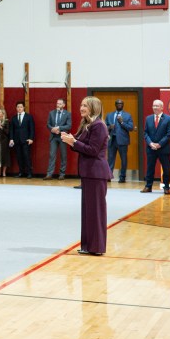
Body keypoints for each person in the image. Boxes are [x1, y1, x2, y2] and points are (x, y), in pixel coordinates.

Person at [60, 96, 111, 256]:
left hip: (96, 173)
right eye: (81, 105)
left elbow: (93, 150)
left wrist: (73, 142)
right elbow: (84, 147)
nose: (81, 108)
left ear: (93, 108)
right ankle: (88, 245)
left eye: (85, 106)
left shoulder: (99, 126)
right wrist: (72, 140)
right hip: (89, 173)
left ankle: (97, 247)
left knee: (96, 211)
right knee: (88, 211)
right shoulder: (88, 124)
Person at [141, 99, 170, 195]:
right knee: (150, 168)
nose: (155, 107)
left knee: (166, 169)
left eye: (157, 106)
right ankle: (148, 186)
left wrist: (159, 144)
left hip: (163, 148)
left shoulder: (168, 119)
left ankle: (166, 187)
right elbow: (145, 133)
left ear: (162, 107)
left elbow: (169, 134)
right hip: (151, 148)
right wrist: (150, 143)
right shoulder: (148, 118)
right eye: (154, 106)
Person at [105, 99, 134, 184]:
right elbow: (104, 126)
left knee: (123, 159)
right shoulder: (109, 115)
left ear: (123, 105)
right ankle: (108, 176)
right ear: (115, 105)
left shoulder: (127, 116)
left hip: (122, 141)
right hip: (112, 140)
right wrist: (109, 127)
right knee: (110, 159)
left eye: (121, 103)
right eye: (118, 103)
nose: (119, 105)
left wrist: (122, 122)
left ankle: (122, 177)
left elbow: (131, 128)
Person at [45, 98, 72, 179]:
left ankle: (62, 174)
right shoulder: (51, 113)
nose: (58, 105)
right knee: (52, 155)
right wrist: (52, 129)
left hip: (63, 136)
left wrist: (59, 128)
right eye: (57, 103)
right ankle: (49, 174)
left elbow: (69, 126)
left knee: (63, 155)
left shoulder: (67, 114)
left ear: (63, 105)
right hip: (53, 137)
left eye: (60, 104)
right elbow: (48, 124)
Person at [8, 101, 34, 178]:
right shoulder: (14, 118)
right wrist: (11, 139)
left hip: (26, 140)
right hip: (16, 141)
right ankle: (21, 172)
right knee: (19, 157)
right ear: (16, 108)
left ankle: (29, 172)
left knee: (26, 156)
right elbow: (11, 130)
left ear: (23, 108)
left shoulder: (28, 117)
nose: (19, 108)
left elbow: (32, 129)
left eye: (21, 107)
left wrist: (31, 138)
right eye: (18, 107)